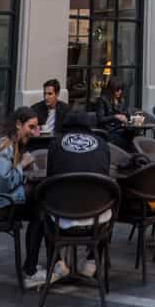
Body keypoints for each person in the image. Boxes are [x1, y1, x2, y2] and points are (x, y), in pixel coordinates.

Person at [0, 106, 52, 288]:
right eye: (30, 127)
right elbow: (4, 182)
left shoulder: (1, 141)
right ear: (18, 124)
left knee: (39, 206)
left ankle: (33, 267)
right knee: (41, 205)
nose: (33, 133)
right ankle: (33, 270)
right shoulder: (3, 144)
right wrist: (22, 164)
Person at [45, 110, 112, 279]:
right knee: (112, 202)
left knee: (42, 208)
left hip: (62, 220)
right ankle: (92, 261)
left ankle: (57, 262)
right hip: (97, 220)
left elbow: (49, 179)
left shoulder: (54, 144)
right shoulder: (103, 145)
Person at [96, 76, 131, 150]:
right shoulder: (102, 100)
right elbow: (101, 119)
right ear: (111, 89)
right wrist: (116, 116)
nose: (120, 92)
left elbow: (126, 114)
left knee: (135, 135)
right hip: (108, 131)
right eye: (117, 90)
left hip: (120, 128)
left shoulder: (121, 100)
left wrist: (129, 118)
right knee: (125, 141)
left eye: (121, 89)